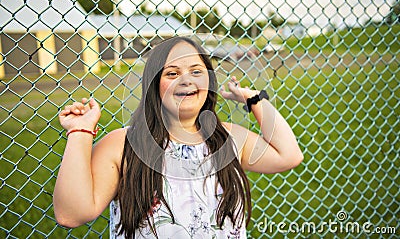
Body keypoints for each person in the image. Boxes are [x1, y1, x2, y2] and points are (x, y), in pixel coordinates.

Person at [53, 36, 303, 238]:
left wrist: (253, 98)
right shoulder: (124, 144)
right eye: (172, 74)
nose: (186, 80)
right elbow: (72, 214)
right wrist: (80, 133)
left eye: (196, 71)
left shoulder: (228, 138)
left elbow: (288, 155)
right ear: (154, 85)